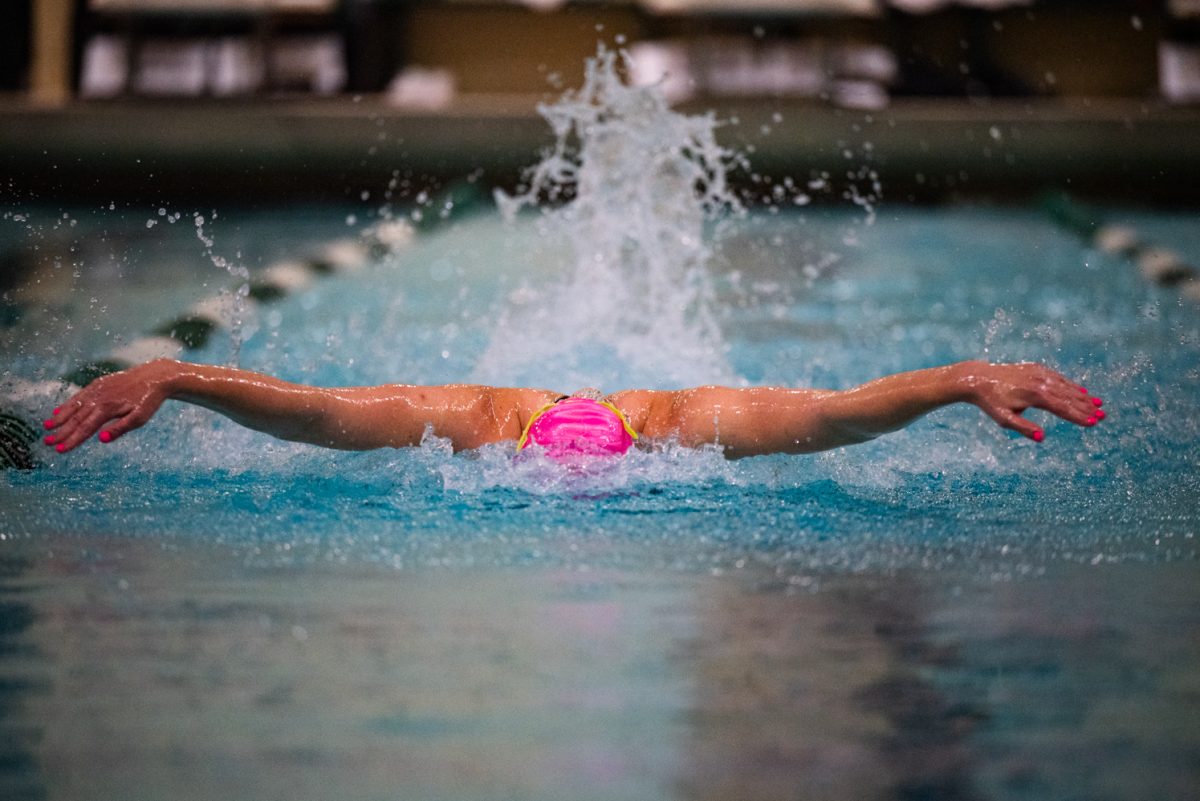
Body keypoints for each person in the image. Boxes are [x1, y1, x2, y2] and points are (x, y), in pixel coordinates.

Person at [41, 358, 1105, 461]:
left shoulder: (690, 421)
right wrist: (177, 374)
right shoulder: (474, 418)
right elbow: (320, 413)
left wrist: (959, 378)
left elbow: (834, 416)